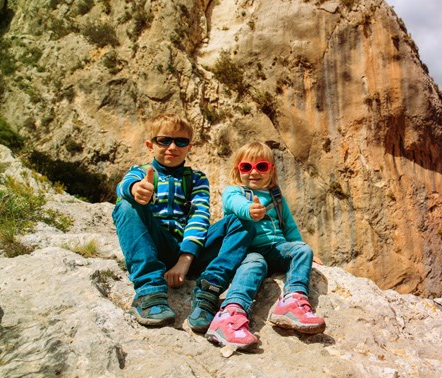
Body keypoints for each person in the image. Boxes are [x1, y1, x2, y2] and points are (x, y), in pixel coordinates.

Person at [112, 114, 253, 332]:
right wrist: (134, 190)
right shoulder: (140, 173)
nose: (172, 147)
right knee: (126, 206)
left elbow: (199, 216)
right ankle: (149, 291)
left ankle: (209, 287)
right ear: (150, 145)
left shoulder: (196, 179)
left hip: (191, 252)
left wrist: (184, 261)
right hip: (156, 247)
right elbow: (124, 186)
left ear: (189, 147)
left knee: (241, 221)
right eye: (164, 140)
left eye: (181, 141)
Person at [205, 141, 325, 351]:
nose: (254, 172)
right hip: (248, 251)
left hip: (276, 248)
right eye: (246, 167)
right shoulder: (234, 192)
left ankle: (292, 301)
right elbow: (235, 205)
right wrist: (250, 210)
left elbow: (289, 228)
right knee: (254, 265)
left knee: (303, 250)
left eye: (261, 167)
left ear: (271, 170)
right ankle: (231, 314)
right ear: (238, 170)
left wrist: (302, 249)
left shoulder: (276, 197)